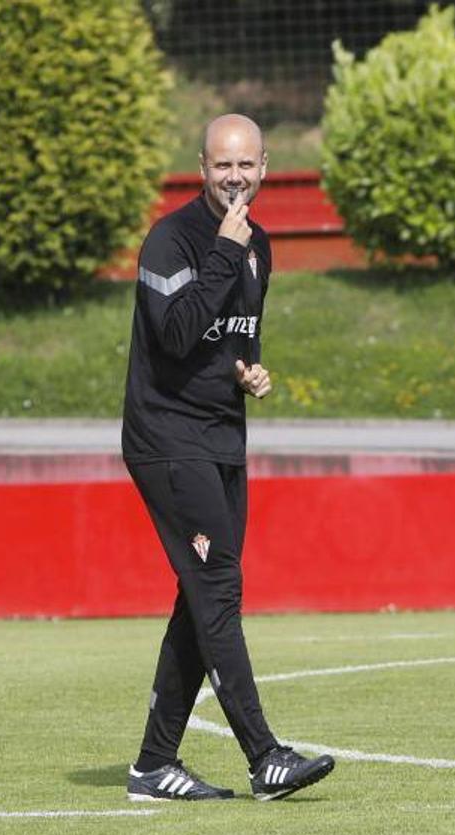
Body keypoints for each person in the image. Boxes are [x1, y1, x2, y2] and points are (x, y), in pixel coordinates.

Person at [120, 113, 334, 799]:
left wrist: (252, 370)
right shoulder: (172, 241)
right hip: (167, 440)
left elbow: (235, 337)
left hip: (221, 438)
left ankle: (154, 765)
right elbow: (179, 336)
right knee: (219, 592)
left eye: (246, 166)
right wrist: (220, 250)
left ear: (265, 166)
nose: (235, 178)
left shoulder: (257, 246)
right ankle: (264, 756)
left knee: (200, 594)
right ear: (202, 168)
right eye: (222, 167)